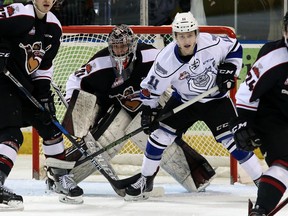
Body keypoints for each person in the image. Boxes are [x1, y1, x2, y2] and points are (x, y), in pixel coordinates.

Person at [124, 11, 264, 201]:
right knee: (158, 136)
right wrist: (148, 111)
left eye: (190, 34)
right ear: (174, 37)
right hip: (184, 101)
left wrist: (230, 67)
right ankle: (146, 180)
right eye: (182, 36)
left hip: (217, 101)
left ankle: (263, 183)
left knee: (235, 142)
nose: (187, 39)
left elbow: (235, 48)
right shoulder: (166, 60)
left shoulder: (212, 43)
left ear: (196, 34)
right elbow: (150, 89)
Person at [65, 24, 216, 193]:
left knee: (159, 139)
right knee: (103, 143)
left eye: (124, 46)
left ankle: (197, 178)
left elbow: (175, 72)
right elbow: (74, 80)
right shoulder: (100, 63)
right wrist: (73, 105)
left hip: (148, 108)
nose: (120, 50)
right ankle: (63, 175)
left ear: (133, 45)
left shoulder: (151, 55)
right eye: (116, 46)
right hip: (116, 109)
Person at [0, 0, 83, 209]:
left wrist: (44, 96)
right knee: (11, 134)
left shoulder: (54, 27)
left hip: (23, 85)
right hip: (2, 82)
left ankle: (60, 177)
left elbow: (44, 65)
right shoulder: (19, 12)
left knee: (50, 126)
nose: (46, 0)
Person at [229, 11, 288, 216]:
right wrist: (242, 124)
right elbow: (245, 95)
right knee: (285, 160)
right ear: (284, 31)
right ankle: (261, 209)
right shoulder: (275, 57)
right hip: (271, 117)